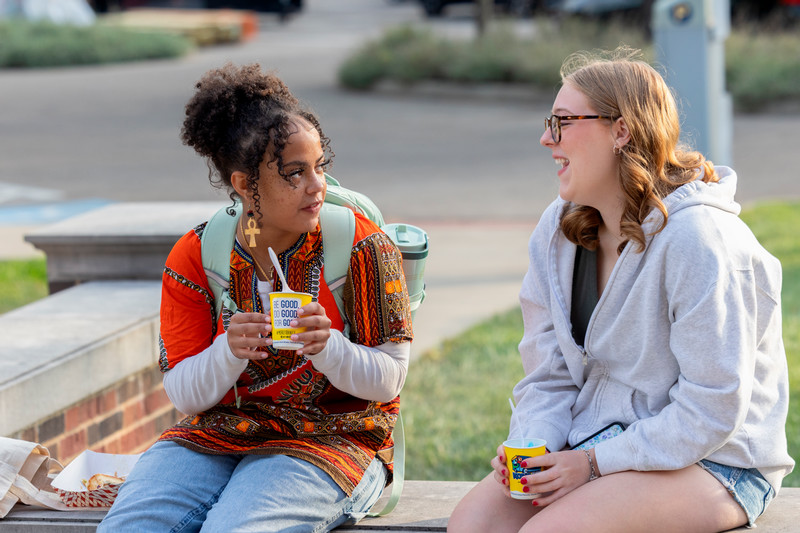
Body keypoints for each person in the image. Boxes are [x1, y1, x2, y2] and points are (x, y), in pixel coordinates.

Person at [448, 47, 794, 533]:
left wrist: (592, 463)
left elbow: (713, 410)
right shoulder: (558, 230)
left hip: (717, 461)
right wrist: (535, 445)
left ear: (621, 130)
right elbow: (548, 376)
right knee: (474, 526)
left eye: (563, 121)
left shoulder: (700, 240)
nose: (546, 137)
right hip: (599, 441)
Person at [99, 63, 413, 532]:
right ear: (245, 184)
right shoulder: (199, 254)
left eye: (319, 166)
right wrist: (228, 349)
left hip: (333, 439)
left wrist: (329, 347)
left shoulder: (361, 245)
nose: (317, 186)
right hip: (216, 434)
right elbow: (183, 392)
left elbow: (390, 380)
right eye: (294, 173)